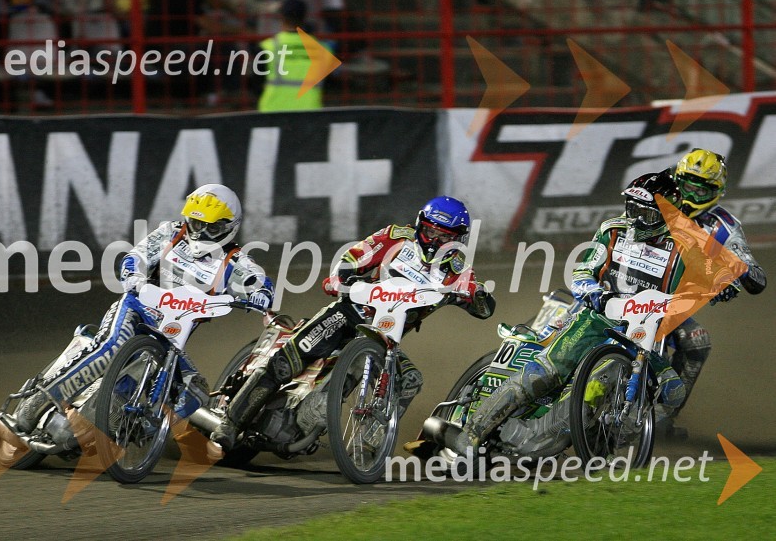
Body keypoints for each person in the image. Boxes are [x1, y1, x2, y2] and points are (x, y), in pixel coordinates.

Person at [211, 196, 497, 450]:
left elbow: (481, 303)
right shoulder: (396, 237)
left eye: (444, 236)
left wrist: (477, 297)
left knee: (410, 380)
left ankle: (371, 444)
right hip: (350, 313)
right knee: (286, 362)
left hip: (386, 339)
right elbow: (353, 257)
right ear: (421, 224)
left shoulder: (457, 267)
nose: (435, 240)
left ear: (459, 238)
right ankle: (231, 423)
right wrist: (341, 278)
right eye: (431, 230)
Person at [449, 173, 690, 456]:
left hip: (640, 337)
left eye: (644, 212)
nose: (635, 218)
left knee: (674, 391)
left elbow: (714, 274)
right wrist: (592, 291)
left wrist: (726, 284)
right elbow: (582, 271)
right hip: (595, 319)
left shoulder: (685, 246)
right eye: (632, 208)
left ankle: (610, 438)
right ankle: (473, 433)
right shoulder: (612, 230)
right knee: (544, 373)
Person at [14, 184, 274, 432]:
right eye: (196, 224)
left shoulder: (234, 260)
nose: (201, 233)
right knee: (111, 346)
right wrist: (133, 277)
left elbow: (259, 282)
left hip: (171, 339)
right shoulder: (171, 233)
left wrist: (261, 295)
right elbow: (134, 257)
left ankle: (134, 431)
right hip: (136, 309)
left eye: (212, 228)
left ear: (230, 227)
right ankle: (39, 401)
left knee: (195, 391)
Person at [662, 148, 767, 434]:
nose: (692, 196)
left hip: (665, 305)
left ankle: (663, 416)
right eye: (688, 186)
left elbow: (756, 276)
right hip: (620, 284)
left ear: (716, 191)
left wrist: (731, 274)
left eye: (702, 189)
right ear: (677, 180)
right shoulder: (654, 199)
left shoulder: (722, 226)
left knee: (697, 341)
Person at [257, 0, 327, 112]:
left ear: (281, 17)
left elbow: (257, 83)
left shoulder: (267, 47)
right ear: (305, 17)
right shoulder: (322, 48)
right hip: (310, 112)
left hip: (272, 111)